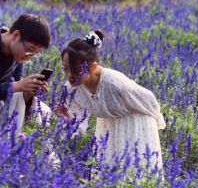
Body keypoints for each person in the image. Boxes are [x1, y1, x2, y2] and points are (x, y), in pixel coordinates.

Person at [54, 30, 165, 172]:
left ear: (93, 67)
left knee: (134, 174)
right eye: (65, 69)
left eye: (75, 70)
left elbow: (148, 98)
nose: (69, 75)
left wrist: (156, 122)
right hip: (107, 126)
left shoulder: (114, 83)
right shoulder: (71, 88)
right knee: (107, 178)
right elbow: (78, 128)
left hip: (135, 121)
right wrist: (69, 119)